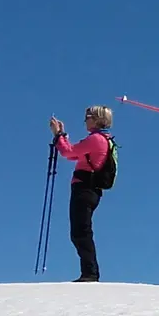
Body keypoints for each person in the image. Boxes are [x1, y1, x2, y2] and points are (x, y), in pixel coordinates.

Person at [49, 105, 114, 282]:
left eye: (88, 117)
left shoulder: (95, 139)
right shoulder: (100, 140)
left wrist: (58, 136)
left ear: (96, 119)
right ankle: (89, 271)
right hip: (89, 189)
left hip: (84, 188)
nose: (85, 121)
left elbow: (68, 152)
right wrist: (61, 137)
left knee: (81, 231)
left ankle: (90, 273)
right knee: (80, 230)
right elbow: (71, 155)